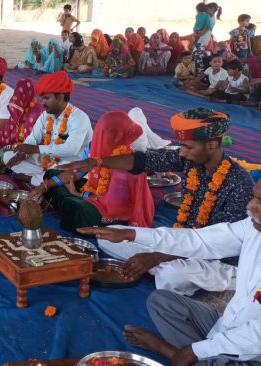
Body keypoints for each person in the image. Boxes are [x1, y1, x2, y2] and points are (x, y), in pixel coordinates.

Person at [60, 108, 254, 296]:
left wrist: (156, 256)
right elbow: (145, 161)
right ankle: (154, 265)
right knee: (109, 237)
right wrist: (96, 162)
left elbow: (217, 244)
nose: (182, 153)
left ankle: (157, 267)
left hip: (219, 260)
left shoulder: (239, 183)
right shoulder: (190, 160)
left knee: (173, 274)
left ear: (211, 145)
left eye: (188, 147)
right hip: (182, 241)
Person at [78, 180, 261, 366]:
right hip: (227, 326)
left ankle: (172, 352)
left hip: (254, 354)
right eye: (254, 198)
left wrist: (189, 351)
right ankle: (198, 356)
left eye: (260, 201)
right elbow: (199, 240)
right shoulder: (252, 227)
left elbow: (256, 336)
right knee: (162, 302)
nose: (251, 206)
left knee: (199, 355)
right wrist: (131, 234)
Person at [29, 111, 154, 231]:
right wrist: (45, 186)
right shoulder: (96, 146)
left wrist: (77, 194)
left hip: (112, 211)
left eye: (102, 133)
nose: (97, 136)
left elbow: (113, 207)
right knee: (52, 174)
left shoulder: (125, 168)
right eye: (98, 131)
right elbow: (76, 174)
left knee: (76, 210)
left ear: (117, 136)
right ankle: (62, 199)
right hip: (94, 192)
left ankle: (66, 202)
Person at [3, 71, 93, 186]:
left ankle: (34, 179)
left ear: (60, 97)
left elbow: (71, 149)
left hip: (71, 164)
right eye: (43, 98)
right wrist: (22, 153)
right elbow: (32, 139)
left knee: (61, 172)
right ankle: (43, 178)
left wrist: (36, 149)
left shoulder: (79, 118)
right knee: (8, 156)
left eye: (47, 98)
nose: (43, 102)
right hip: (48, 160)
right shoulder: (46, 115)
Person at [0, 78, 45, 173]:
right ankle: (37, 175)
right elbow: (6, 131)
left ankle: (41, 176)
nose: (18, 99)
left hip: (37, 152)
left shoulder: (37, 111)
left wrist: (20, 154)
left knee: (8, 156)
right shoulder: (18, 110)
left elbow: (34, 141)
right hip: (18, 149)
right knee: (5, 156)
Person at [192, 2, 221, 72]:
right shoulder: (210, 16)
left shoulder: (210, 17)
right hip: (201, 40)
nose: (205, 11)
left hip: (201, 40)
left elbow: (207, 27)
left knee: (198, 58)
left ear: (212, 9)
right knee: (197, 56)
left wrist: (200, 33)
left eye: (206, 9)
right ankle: (199, 74)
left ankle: (200, 75)